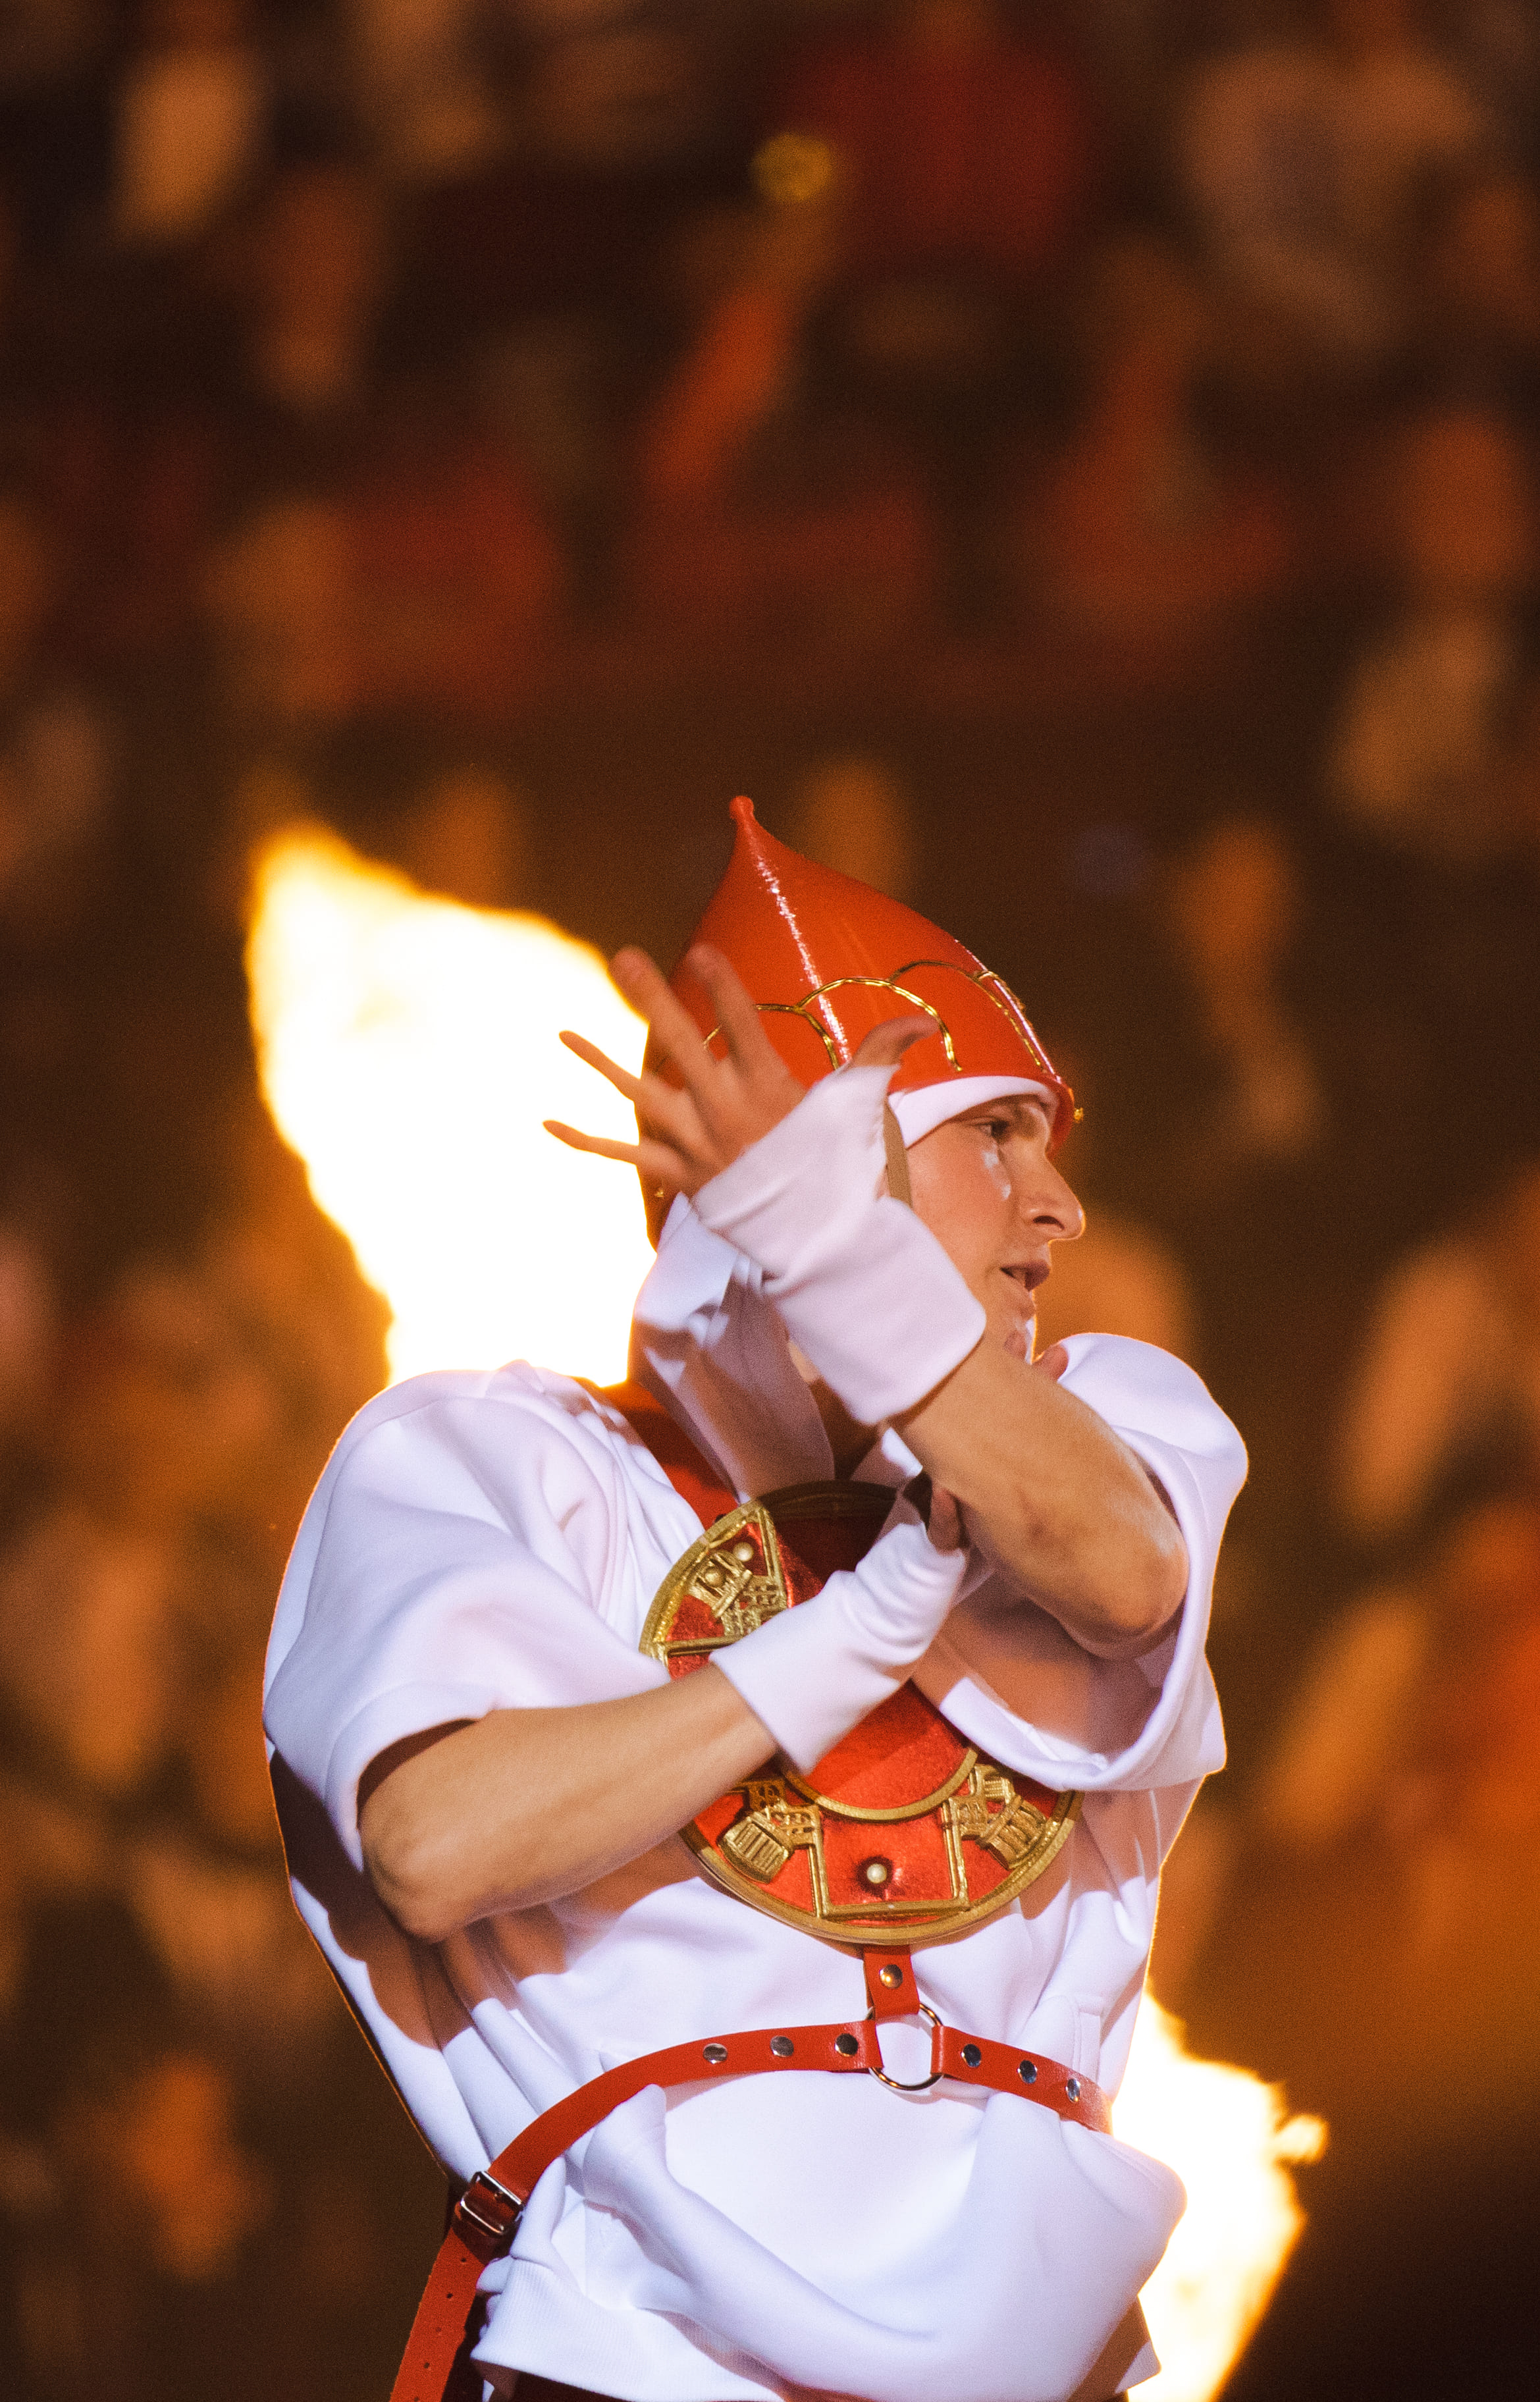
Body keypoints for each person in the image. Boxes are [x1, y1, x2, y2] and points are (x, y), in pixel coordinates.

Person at [263, 797, 1246, 2402]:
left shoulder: (1111, 1422)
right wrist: (846, 1637)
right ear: (835, 1161)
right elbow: (435, 1843)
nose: (1058, 1209)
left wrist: (830, 1256)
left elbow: (1122, 1572)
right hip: (637, 2362)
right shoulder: (503, 1462)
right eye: (995, 1138)